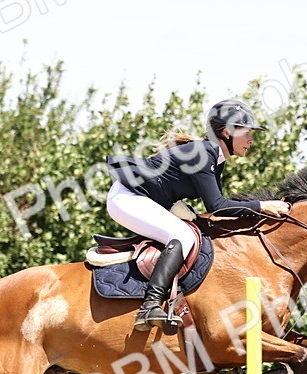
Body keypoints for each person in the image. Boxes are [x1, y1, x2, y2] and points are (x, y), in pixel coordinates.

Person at [105, 99, 291, 332]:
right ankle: (150, 306)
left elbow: (216, 209)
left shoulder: (215, 158)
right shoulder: (204, 153)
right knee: (183, 236)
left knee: (193, 232)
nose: (251, 140)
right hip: (128, 197)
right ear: (227, 132)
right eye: (247, 133)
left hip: (149, 199)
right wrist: (263, 207)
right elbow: (218, 205)